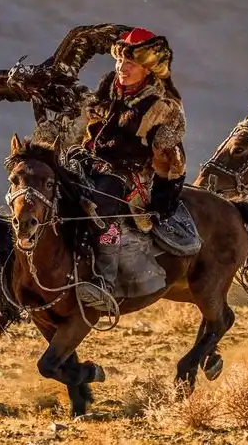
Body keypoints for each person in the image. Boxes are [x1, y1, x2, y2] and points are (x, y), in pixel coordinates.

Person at [69, 28, 186, 311]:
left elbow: (170, 160)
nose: (122, 68)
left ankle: (105, 283)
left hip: (130, 176)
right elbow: (85, 125)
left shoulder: (162, 106)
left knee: (100, 206)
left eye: (130, 63)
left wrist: (163, 199)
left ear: (148, 69)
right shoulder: (110, 85)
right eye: (120, 61)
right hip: (89, 160)